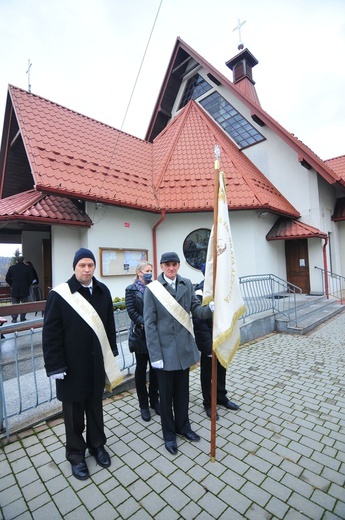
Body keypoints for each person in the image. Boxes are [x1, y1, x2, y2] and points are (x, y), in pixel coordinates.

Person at [42, 248, 119, 481]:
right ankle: (76, 455)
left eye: (90, 265)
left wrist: (111, 352)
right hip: (71, 368)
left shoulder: (103, 291)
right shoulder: (60, 295)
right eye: (82, 265)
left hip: (95, 365)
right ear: (74, 267)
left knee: (95, 409)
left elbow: (109, 326)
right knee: (74, 415)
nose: (86, 269)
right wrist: (55, 366)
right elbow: (50, 334)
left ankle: (97, 446)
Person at [144, 252, 214, 455]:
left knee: (182, 393)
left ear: (178, 265)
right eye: (167, 265)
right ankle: (169, 434)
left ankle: (183, 426)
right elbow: (149, 324)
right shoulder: (153, 290)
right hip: (164, 353)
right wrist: (154, 355)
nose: (171, 268)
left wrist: (209, 308)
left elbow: (195, 310)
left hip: (183, 350)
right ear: (162, 266)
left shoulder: (187, 284)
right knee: (166, 397)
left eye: (174, 264)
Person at [193, 264, 240, 420]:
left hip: (222, 337)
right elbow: (199, 323)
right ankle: (208, 402)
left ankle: (221, 396)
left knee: (221, 369)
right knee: (207, 374)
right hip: (208, 340)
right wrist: (207, 347)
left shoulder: (223, 291)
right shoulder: (200, 292)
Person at [125, 261, 160, 422]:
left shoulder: (155, 287)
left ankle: (154, 401)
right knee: (141, 369)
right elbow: (131, 311)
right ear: (139, 273)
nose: (150, 273)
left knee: (155, 369)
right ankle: (143, 405)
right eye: (147, 271)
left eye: (151, 270)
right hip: (140, 335)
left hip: (154, 335)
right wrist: (146, 322)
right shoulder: (131, 290)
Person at [5, 255, 33, 322]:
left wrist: (12, 284)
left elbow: (7, 278)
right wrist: (27, 285)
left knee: (14, 304)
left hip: (15, 288)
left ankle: (14, 318)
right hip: (24, 289)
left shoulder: (12, 268)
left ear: (16, 261)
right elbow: (31, 279)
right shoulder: (28, 268)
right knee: (24, 304)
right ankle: (22, 317)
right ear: (23, 261)